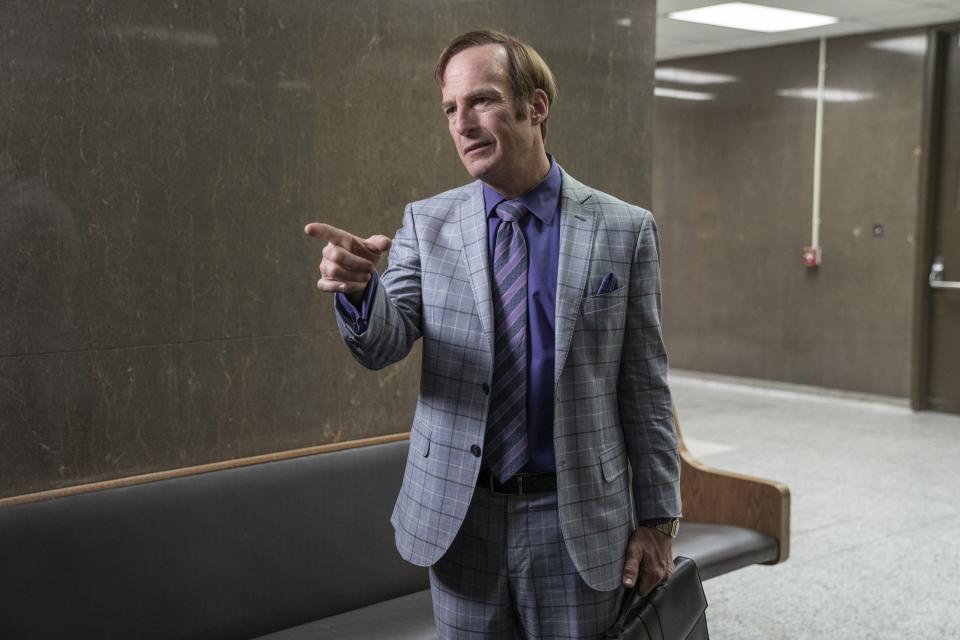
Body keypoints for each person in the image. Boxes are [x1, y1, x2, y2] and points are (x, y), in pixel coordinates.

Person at [305, 29, 681, 639]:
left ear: (535, 106)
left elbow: (645, 387)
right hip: (461, 516)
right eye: (451, 110)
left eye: (480, 100)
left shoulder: (623, 230)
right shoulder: (427, 224)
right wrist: (359, 293)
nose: (462, 124)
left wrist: (659, 520)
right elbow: (383, 343)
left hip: (577, 518)